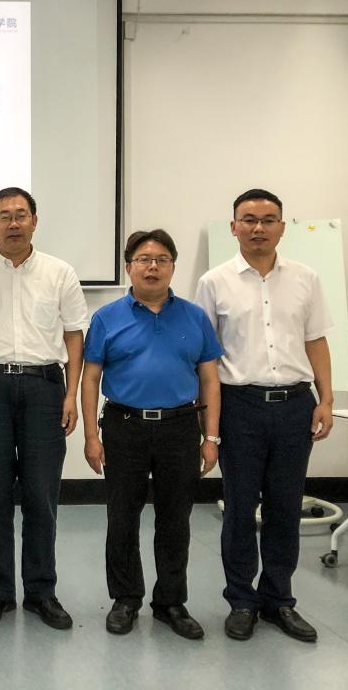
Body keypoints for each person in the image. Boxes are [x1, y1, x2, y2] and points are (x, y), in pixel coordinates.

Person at [194, 188, 334, 643]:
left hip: (295, 405)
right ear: (234, 226)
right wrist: (207, 422)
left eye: (268, 219)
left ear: (282, 227)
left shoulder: (306, 278)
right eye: (249, 219)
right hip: (240, 406)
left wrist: (326, 399)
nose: (258, 228)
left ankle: (278, 600)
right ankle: (241, 600)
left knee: (285, 507)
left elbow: (316, 340)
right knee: (239, 508)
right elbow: (205, 357)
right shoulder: (214, 282)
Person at [82, 229, 223, 639]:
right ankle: (126, 599)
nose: (152, 267)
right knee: (122, 517)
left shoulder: (195, 316)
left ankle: (170, 602)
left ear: (173, 266)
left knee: (176, 519)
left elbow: (209, 380)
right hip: (124, 426)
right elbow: (90, 379)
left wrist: (210, 437)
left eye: (162, 259)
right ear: (129, 267)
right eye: (143, 259)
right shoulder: (107, 317)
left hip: (180, 427)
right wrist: (91, 436)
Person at [0, 187, 87, 630]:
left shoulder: (60, 272)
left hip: (44, 388)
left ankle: (41, 591)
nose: (13, 223)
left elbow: (74, 335)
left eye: (21, 214)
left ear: (35, 220)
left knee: (41, 495)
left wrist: (71, 396)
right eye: (4, 216)